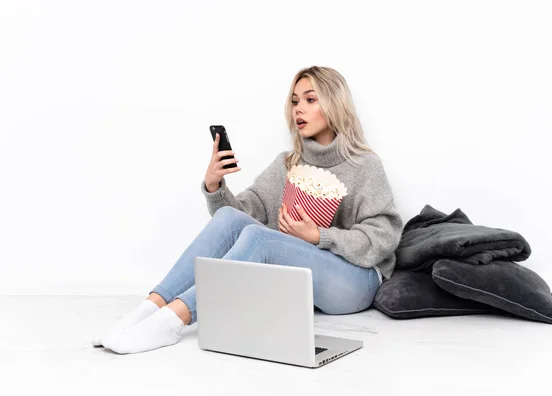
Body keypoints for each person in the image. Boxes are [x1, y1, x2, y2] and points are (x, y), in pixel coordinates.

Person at [92, 66, 404, 354]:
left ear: (335, 105)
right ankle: (148, 309)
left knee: (261, 238)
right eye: (295, 101)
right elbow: (242, 214)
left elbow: (384, 237)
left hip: (357, 283)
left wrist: (319, 236)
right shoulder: (288, 163)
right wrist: (216, 187)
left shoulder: (365, 165)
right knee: (231, 218)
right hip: (308, 283)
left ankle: (173, 321)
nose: (299, 108)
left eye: (310, 99)